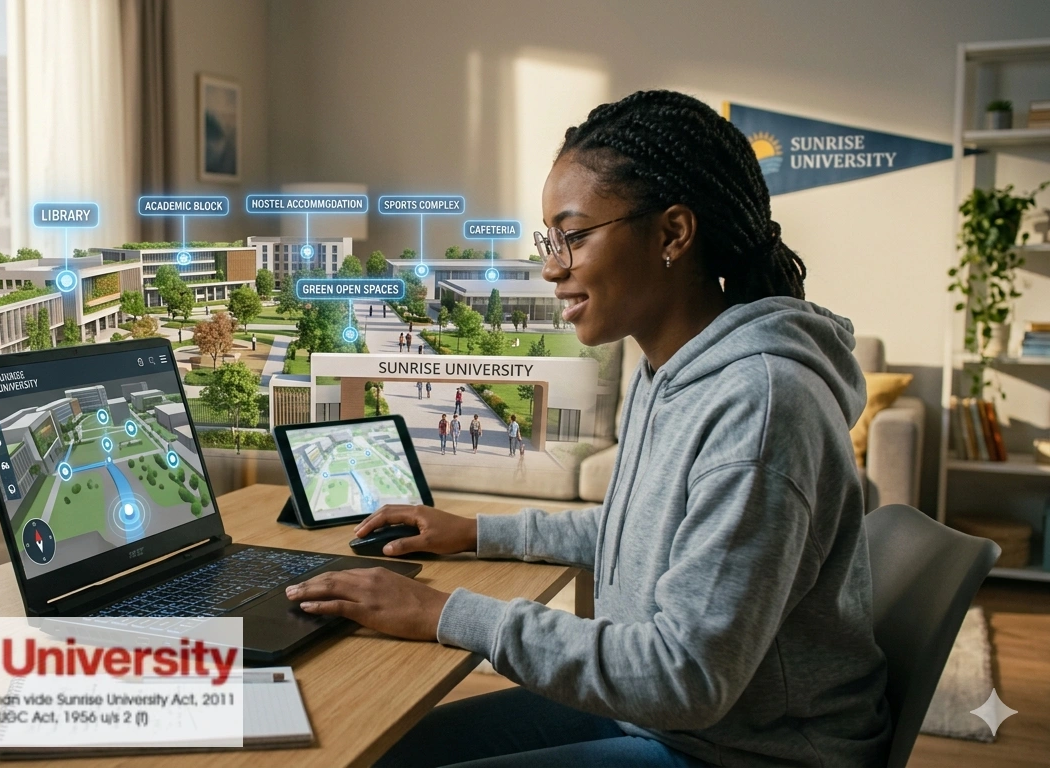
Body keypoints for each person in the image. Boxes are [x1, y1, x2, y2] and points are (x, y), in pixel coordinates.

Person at [285, 90, 889, 767]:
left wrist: (442, 613)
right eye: (550, 240)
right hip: (666, 721)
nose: (551, 266)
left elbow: (686, 676)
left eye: (572, 236)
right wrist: (475, 531)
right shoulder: (669, 370)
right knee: (383, 752)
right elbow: (639, 528)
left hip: (746, 751)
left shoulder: (762, 404)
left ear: (672, 234)